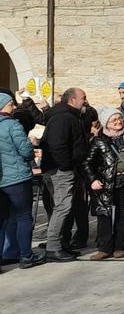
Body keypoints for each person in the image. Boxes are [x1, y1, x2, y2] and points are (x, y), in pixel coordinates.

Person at [40, 88, 89, 262]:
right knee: (62, 207)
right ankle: (53, 248)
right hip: (60, 171)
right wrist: (66, 166)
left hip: (64, 169)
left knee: (65, 207)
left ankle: (62, 244)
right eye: (83, 98)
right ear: (72, 100)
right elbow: (57, 145)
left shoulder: (68, 116)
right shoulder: (63, 118)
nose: (85, 101)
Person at [85, 108, 124, 260]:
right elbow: (87, 163)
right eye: (114, 120)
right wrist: (93, 179)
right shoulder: (98, 141)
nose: (118, 122)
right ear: (106, 123)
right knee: (104, 215)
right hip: (105, 183)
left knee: (123, 215)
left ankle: (119, 247)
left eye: (120, 118)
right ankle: (104, 248)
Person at [1, 91, 44, 268]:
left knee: (2, 220)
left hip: (1, 180)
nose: (14, 107)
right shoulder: (12, 125)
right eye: (11, 104)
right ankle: (26, 256)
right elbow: (26, 151)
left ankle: (5, 255)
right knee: (24, 217)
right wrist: (31, 147)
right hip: (17, 178)